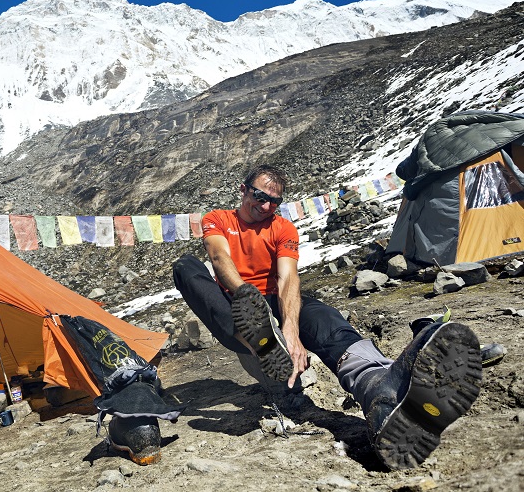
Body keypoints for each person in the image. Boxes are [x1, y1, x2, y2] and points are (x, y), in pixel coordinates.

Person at [172, 164, 482, 470]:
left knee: (324, 318)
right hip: (235, 305)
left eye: (274, 202)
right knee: (186, 267)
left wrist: (290, 330)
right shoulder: (218, 219)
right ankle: (256, 336)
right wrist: (245, 296)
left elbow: (288, 279)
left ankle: (378, 388)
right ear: (243, 190)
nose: (265, 206)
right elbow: (218, 257)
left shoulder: (282, 227)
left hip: (275, 303)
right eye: (258, 195)